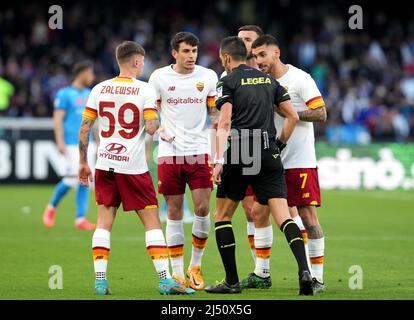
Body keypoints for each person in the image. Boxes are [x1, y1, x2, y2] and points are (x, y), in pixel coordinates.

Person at [78, 41, 194, 296]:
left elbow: (85, 127)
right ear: (136, 62)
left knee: (103, 223)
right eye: (142, 61)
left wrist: (83, 162)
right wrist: (161, 129)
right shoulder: (145, 90)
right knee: (152, 223)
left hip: (104, 165)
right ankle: (165, 280)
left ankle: (100, 282)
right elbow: (152, 127)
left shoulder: (99, 89)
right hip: (132, 167)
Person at [204, 36, 313, 295]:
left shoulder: (227, 81)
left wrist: (218, 160)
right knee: (284, 216)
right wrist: (280, 145)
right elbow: (293, 116)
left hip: (242, 146)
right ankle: (304, 271)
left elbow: (225, 121)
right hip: (269, 151)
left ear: (227, 58)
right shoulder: (269, 81)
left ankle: (231, 282)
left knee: (222, 216)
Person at [251, 34, 327, 292]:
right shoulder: (259, 82)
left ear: (276, 53)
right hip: (270, 161)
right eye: (255, 55)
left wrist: (287, 111)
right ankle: (262, 273)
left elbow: (321, 112)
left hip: (299, 159)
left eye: (262, 55)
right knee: (258, 212)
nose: (258, 60)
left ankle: (316, 278)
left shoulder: (299, 79)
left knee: (308, 216)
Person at [148, 32, 219, 291]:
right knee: (174, 212)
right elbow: (150, 115)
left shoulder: (208, 77)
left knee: (201, 209)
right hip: (169, 154)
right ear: (174, 53)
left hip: (199, 152)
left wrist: (220, 137)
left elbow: (214, 113)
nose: (191, 56)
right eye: (186, 51)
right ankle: (177, 273)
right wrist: (158, 130)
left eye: (194, 51)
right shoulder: (158, 77)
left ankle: (195, 265)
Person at [42, 61, 97, 230]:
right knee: (72, 179)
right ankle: (51, 207)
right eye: (90, 73)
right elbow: (58, 119)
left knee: (84, 180)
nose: (92, 77)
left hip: (89, 144)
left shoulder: (90, 94)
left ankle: (80, 218)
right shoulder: (65, 94)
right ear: (82, 73)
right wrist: (60, 141)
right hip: (71, 144)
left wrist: (98, 141)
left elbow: (94, 121)